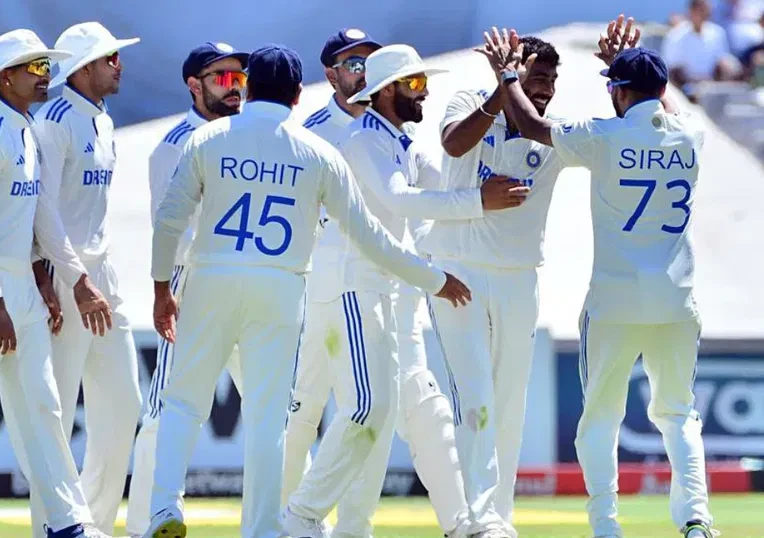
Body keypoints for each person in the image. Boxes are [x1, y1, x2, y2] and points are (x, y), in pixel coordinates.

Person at [144, 44, 471, 538]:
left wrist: (161, 289)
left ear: (248, 87)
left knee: (184, 403)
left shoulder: (207, 138)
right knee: (268, 419)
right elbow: (373, 238)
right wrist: (435, 280)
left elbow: (169, 220)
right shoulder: (319, 152)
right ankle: (262, 529)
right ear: (299, 96)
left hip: (209, 277)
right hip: (280, 287)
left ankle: (164, 508)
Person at [479, 22, 717, 538]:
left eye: (614, 85)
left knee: (601, 418)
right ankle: (696, 520)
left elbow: (530, 124)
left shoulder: (601, 136)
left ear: (621, 92)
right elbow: (662, 108)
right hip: (677, 299)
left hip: (614, 301)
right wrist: (637, 69)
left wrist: (506, 74)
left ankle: (607, 526)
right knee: (679, 415)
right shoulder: (690, 133)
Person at [284, 43, 526, 538]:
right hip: (352, 288)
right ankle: (299, 517)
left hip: (391, 292)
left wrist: (497, 116)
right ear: (387, 90)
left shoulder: (402, 140)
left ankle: (462, 524)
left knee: (408, 409)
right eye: (415, 84)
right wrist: (477, 203)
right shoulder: (363, 139)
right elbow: (402, 199)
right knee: (361, 409)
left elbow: (442, 188)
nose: (426, 91)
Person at [0, 29, 117, 538]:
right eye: (35, 68)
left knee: (45, 404)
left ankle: (67, 522)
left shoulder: (27, 129)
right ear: (3, 77)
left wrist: (62, 278)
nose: (45, 77)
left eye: (46, 67)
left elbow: (41, 218)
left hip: (21, 290)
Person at [424, 28, 592, 538]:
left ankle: (497, 516)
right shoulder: (469, 99)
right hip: (460, 270)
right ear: (511, 69)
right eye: (536, 77)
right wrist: (502, 87)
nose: (545, 88)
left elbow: (547, 125)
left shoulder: (551, 128)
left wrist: (514, 86)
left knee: (509, 401)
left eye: (550, 80)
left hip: (520, 276)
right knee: (475, 395)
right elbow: (454, 145)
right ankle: (478, 519)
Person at [7, 21, 142, 538]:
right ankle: (53, 528)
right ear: (83, 68)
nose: (119, 66)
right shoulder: (54, 121)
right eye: (110, 58)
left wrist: (94, 277)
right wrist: (68, 279)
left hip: (101, 275)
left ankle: (93, 525)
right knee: (56, 418)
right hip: (64, 281)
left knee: (124, 404)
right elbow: (45, 211)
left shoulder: (105, 121)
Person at [127, 40, 250, 538]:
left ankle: (298, 520)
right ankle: (143, 525)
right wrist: (166, 293)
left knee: (280, 411)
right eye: (222, 78)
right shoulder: (176, 143)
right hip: (194, 287)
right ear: (193, 85)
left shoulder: (251, 135)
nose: (235, 86)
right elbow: (168, 230)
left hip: (250, 285)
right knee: (163, 413)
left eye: (240, 77)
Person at [281, 25, 382, 511]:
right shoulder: (310, 132)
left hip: (373, 284)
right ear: (331, 74)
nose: (363, 73)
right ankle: (282, 515)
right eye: (353, 64)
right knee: (303, 408)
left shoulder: (389, 126)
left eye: (368, 62)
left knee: (361, 407)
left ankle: (350, 523)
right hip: (319, 282)